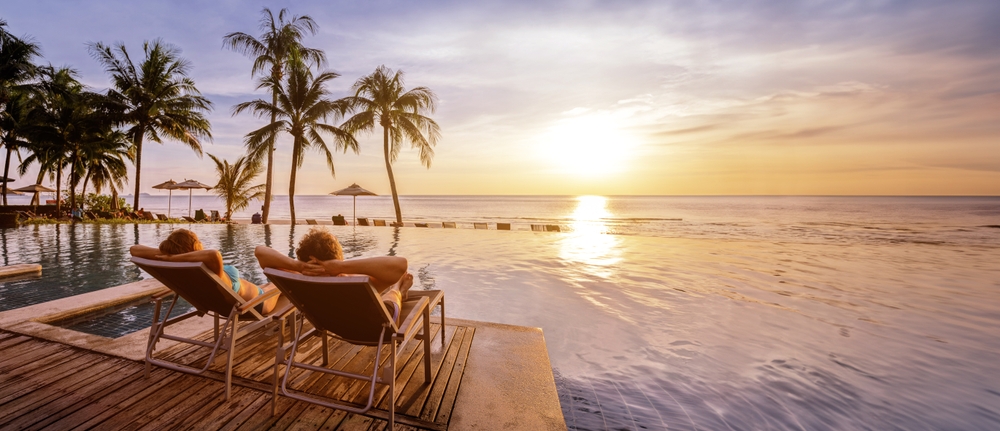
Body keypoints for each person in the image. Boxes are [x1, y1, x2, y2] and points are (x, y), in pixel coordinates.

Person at [255, 227, 413, 309]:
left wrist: (297, 266)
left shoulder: (297, 279)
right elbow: (400, 265)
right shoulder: (355, 283)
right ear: (337, 258)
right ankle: (398, 288)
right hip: (366, 325)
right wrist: (342, 267)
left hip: (323, 321)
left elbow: (260, 252)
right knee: (392, 288)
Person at [130, 229, 281, 313]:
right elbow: (214, 254)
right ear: (195, 246)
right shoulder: (210, 267)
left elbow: (134, 250)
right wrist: (174, 257)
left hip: (224, 304)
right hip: (256, 304)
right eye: (198, 241)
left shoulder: (186, 270)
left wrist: (171, 255)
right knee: (282, 282)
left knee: (269, 284)